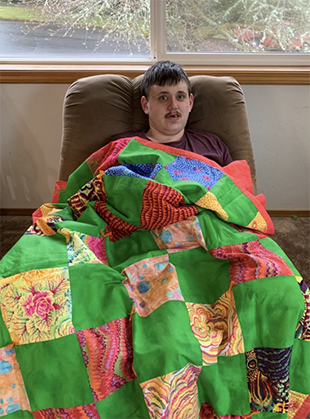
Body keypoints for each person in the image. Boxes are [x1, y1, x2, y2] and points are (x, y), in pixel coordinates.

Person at [115, 60, 233, 167]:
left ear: (190, 102)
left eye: (180, 97)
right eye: (163, 98)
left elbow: (235, 188)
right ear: (146, 105)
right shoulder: (123, 147)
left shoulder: (212, 145)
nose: (173, 105)